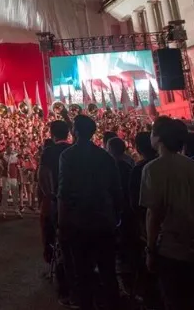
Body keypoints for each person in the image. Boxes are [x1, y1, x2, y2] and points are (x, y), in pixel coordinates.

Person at [140, 117, 194, 310]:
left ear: (158, 138)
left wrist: (150, 249)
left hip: (172, 250)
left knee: (175, 301)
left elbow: (154, 213)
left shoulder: (153, 168)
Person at [57, 115, 122, 310]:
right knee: (108, 272)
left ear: (75, 131)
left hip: (79, 223)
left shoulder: (68, 156)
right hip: (104, 222)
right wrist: (115, 219)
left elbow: (63, 193)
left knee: (82, 274)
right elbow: (116, 191)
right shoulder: (106, 156)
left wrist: (61, 224)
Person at [38, 120, 72, 266]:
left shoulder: (48, 151)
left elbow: (42, 175)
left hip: (54, 198)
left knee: (47, 226)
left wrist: (48, 195)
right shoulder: (72, 150)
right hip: (71, 197)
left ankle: (50, 255)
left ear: (52, 134)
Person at [0, 144, 22, 219]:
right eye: (9, 148)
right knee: (5, 195)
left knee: (15, 195)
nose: (10, 149)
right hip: (5, 178)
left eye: (11, 148)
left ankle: (16, 211)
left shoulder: (16, 157)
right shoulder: (3, 157)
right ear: (6, 149)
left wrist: (20, 178)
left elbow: (19, 169)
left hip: (14, 178)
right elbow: (0, 167)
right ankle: (3, 212)